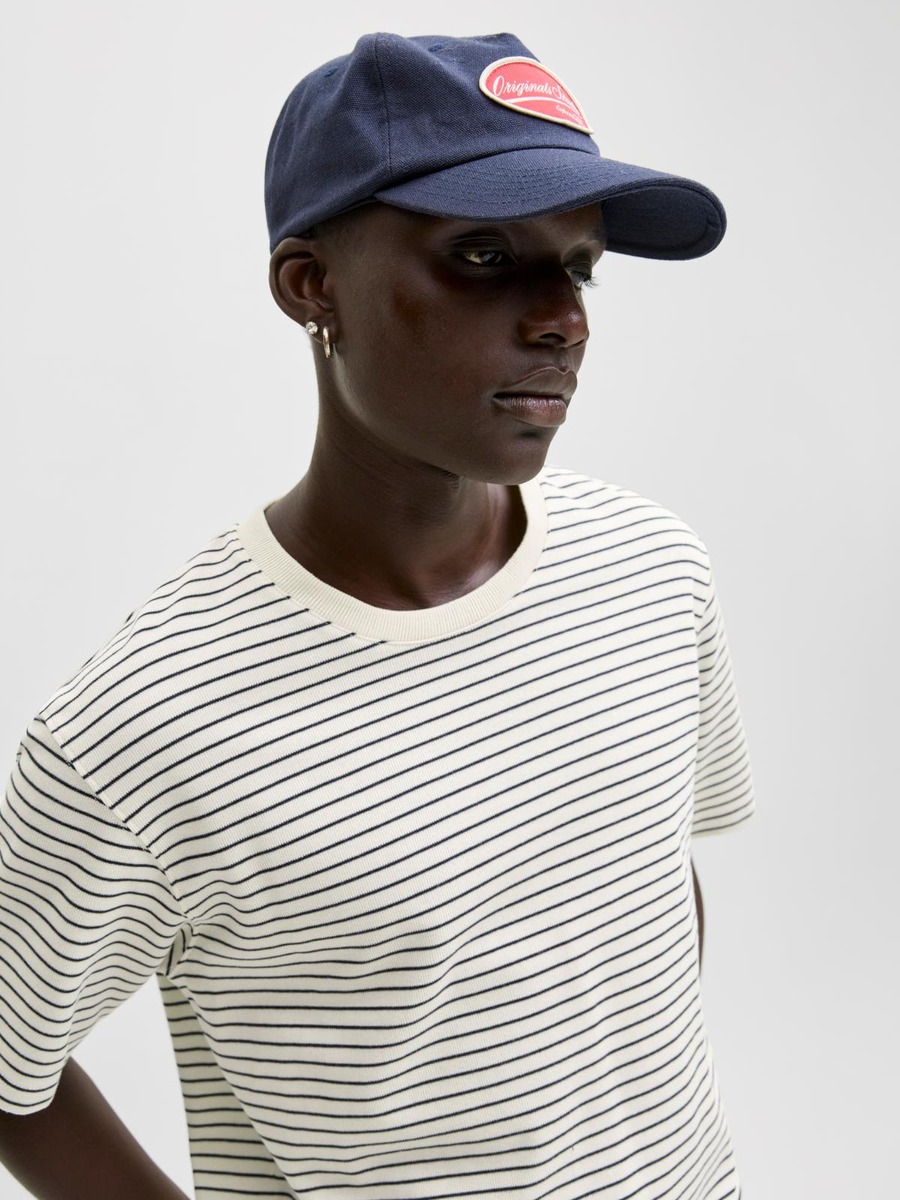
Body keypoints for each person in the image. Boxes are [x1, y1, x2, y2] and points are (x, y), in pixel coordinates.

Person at [0, 30, 755, 1200]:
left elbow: (648, 883)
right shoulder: (147, 726)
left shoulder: (651, 573)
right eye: (486, 255)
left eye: (580, 265)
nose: (564, 319)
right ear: (313, 286)